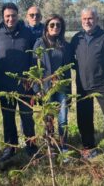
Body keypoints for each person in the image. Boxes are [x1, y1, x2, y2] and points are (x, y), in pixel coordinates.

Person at [70, 7, 104, 159]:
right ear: (81, 21)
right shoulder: (77, 38)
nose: (87, 21)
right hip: (82, 84)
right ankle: (89, 147)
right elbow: (70, 59)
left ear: (96, 20)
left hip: (102, 84)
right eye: (84, 19)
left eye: (90, 18)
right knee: (84, 116)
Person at [0, 2, 37, 162]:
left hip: (25, 85)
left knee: (27, 117)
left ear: (18, 16)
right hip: (5, 86)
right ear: (3, 17)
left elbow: (40, 45)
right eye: (7, 16)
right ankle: (10, 147)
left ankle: (31, 145)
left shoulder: (27, 33)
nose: (10, 19)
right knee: (8, 118)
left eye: (13, 15)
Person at [32, 14, 72, 152]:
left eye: (58, 25)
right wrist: (37, 88)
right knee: (48, 118)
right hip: (46, 88)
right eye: (52, 25)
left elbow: (67, 70)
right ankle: (50, 146)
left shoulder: (65, 45)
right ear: (47, 27)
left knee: (63, 119)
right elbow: (34, 67)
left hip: (61, 88)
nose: (55, 27)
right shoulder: (39, 43)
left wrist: (69, 91)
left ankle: (63, 147)